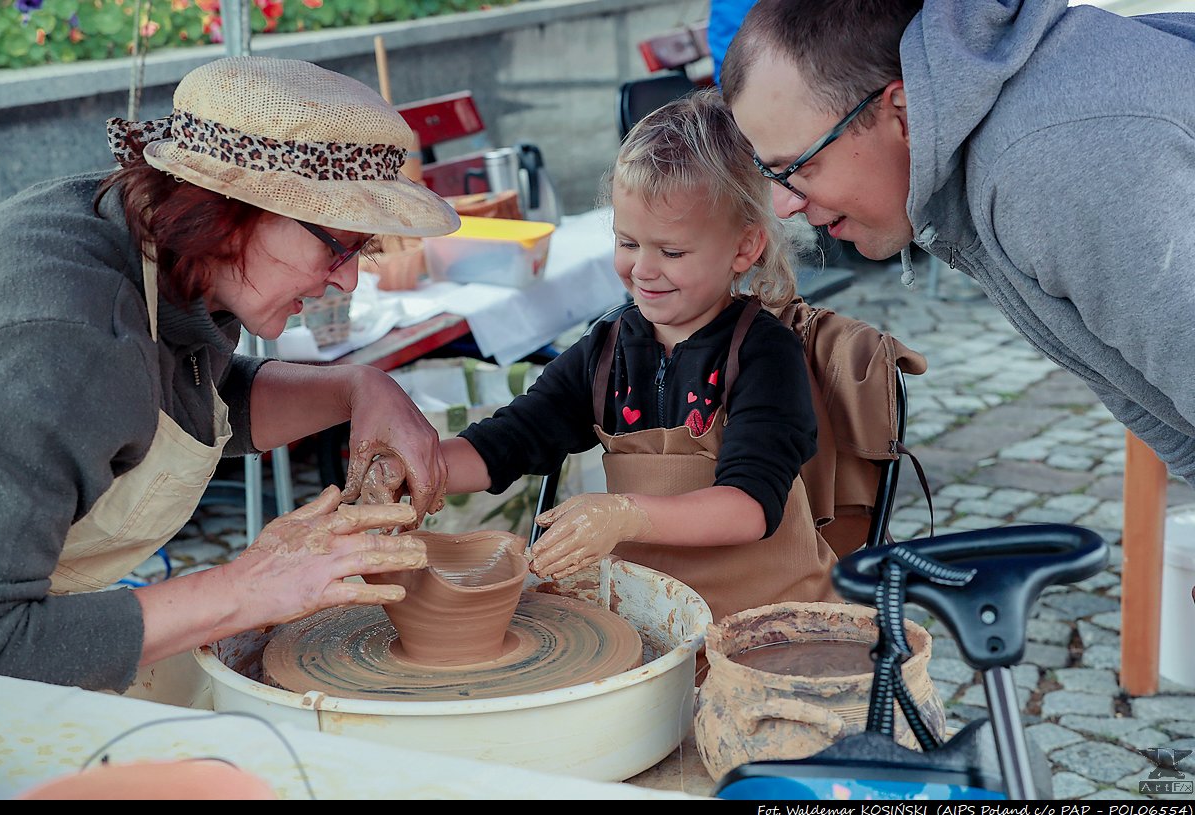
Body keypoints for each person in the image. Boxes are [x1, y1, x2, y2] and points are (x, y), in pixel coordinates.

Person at [0, 56, 464, 693]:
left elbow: (189, 404)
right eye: (338, 245)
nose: (349, 279)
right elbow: (3, 638)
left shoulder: (175, 252)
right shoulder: (70, 349)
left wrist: (362, 389)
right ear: (229, 209)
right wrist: (247, 589)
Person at [364, 89, 837, 622]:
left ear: (745, 248)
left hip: (765, 616)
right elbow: (512, 440)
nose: (643, 269)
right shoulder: (608, 350)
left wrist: (624, 514)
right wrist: (419, 468)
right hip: (653, 615)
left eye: (672, 252)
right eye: (628, 242)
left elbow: (748, 508)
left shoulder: (764, 353)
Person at [720, 0, 1195, 485]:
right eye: (767, 172)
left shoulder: (1050, 167)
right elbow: (1167, 419)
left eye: (797, 166)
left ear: (901, 115)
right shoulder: (976, 148)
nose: (783, 206)